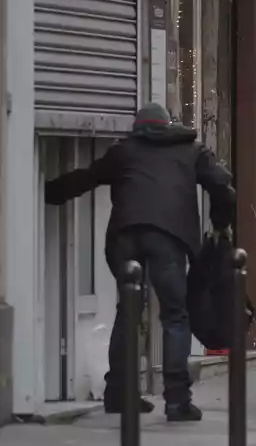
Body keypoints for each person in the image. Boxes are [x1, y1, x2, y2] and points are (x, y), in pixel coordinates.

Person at [44, 103, 235, 421]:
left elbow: (86, 178)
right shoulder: (192, 150)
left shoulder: (125, 152)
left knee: (129, 310)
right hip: (168, 238)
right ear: (167, 125)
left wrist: (46, 191)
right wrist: (220, 224)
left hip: (125, 237)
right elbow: (223, 186)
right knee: (174, 316)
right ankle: (176, 400)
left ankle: (118, 393)